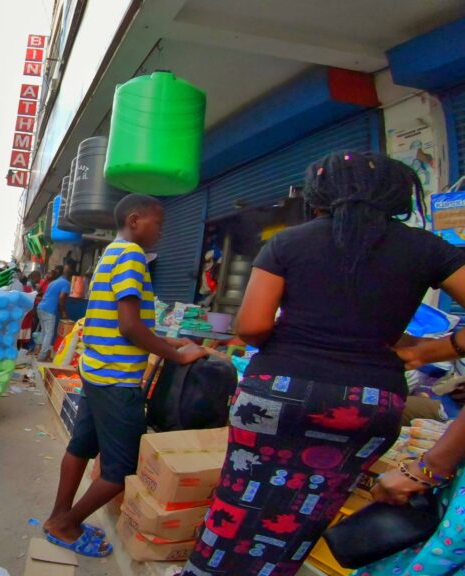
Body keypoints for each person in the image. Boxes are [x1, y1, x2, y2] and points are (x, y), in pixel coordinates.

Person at [181, 152, 465, 576]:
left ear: (322, 193)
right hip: (368, 401)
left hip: (280, 393)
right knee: (306, 512)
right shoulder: (428, 249)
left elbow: (254, 326)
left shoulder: (289, 242)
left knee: (241, 500)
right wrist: (426, 352)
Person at [44, 195, 207, 557]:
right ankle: (65, 524)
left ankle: (58, 515)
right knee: (121, 468)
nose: (162, 232)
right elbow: (131, 327)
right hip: (117, 380)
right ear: (135, 220)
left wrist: (167, 340)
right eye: (158, 224)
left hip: (97, 371)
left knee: (81, 447)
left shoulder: (110, 255)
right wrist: (178, 356)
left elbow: (123, 325)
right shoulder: (132, 257)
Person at [35, 264, 73, 362]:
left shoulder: (53, 282)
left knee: (44, 331)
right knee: (49, 333)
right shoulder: (66, 283)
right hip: (49, 310)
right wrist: (64, 312)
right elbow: (61, 298)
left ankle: (39, 351)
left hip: (41, 307)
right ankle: (42, 356)